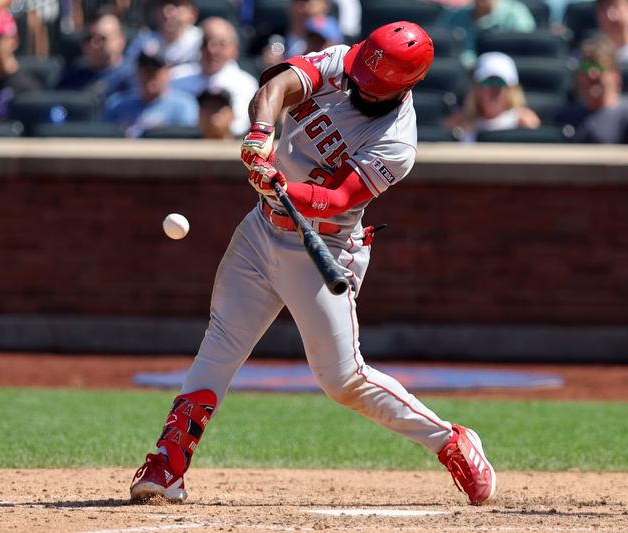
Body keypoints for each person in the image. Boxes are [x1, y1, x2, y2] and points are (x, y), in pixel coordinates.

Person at [129, 21, 496, 507]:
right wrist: (261, 135)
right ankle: (167, 462)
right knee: (221, 343)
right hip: (262, 231)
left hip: (324, 246)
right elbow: (277, 87)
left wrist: (281, 184)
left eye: (369, 84)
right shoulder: (346, 60)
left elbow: (340, 196)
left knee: (342, 380)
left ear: (402, 87)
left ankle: (451, 440)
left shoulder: (397, 142)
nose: (355, 82)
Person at [556, 36, 628, 144]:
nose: (592, 74)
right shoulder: (566, 116)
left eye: (599, 67)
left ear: (616, 77)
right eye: (585, 67)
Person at [170, 17, 258, 136]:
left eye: (221, 44)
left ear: (234, 49)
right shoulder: (177, 78)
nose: (212, 50)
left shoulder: (245, 84)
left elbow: (239, 127)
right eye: (206, 42)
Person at [103, 43, 198, 138]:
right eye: (144, 70)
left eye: (155, 70)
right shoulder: (117, 104)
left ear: (168, 72)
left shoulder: (183, 105)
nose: (149, 76)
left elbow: (185, 141)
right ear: (136, 73)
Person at [444, 52, 540, 142]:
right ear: (476, 88)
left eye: (500, 82)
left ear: (512, 90)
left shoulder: (525, 123)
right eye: (487, 82)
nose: (494, 90)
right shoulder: (458, 123)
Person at [55, 6, 135, 103]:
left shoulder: (134, 79)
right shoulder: (71, 79)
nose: (93, 44)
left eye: (101, 38)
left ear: (120, 41)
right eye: (88, 38)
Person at [436, 0, 536, 68]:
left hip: (498, 83)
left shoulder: (516, 15)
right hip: (460, 82)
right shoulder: (454, 16)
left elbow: (525, 56)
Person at [125, 0, 203, 67]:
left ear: (193, 14)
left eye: (176, 4)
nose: (167, 12)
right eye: (162, 4)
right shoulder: (143, 41)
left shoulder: (202, 41)